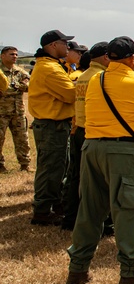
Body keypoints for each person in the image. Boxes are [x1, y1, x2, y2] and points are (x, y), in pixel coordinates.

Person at [65, 36, 134, 284]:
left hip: (91, 147)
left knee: (89, 211)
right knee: (129, 211)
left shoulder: (95, 79)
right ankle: (130, 277)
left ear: (109, 57)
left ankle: (77, 270)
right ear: (132, 58)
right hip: (124, 150)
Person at [62, 42, 113, 233]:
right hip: (95, 132)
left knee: (75, 176)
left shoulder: (82, 76)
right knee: (99, 180)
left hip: (79, 129)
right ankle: (103, 223)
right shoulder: (101, 78)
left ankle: (70, 217)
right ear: (106, 57)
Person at [27, 30, 77, 226]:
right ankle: (42, 211)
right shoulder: (50, 68)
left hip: (52, 125)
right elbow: (70, 94)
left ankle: (53, 204)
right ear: (53, 45)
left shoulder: (50, 66)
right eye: (65, 43)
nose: (68, 47)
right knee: (51, 169)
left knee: (56, 166)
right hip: (52, 125)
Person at [0, 46, 31, 172]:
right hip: (1, 111)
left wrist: (14, 86)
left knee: (22, 139)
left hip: (18, 111)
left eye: (16, 54)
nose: (15, 57)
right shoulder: (0, 72)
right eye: (11, 54)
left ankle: (25, 164)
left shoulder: (20, 71)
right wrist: (18, 87)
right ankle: (0, 165)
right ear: (2, 56)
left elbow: (29, 85)